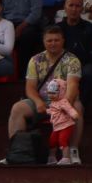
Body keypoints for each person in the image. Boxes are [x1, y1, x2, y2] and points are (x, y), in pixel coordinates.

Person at [9, 26, 83, 166]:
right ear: (44, 41)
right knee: (17, 108)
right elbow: (30, 88)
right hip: (41, 102)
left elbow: (73, 86)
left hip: (65, 100)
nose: (53, 43)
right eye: (49, 40)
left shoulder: (72, 60)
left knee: (77, 107)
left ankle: (73, 151)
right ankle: (16, 151)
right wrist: (37, 102)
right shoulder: (35, 60)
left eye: (56, 40)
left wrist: (63, 105)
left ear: (63, 41)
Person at [56, 0, 92, 99]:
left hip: (84, 65)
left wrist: (76, 67)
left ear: (82, 9)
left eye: (77, 6)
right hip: (61, 65)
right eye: (71, 5)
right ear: (65, 8)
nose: (74, 9)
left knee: (90, 71)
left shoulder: (90, 28)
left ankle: (80, 104)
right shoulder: (57, 29)